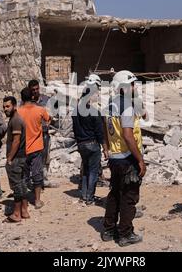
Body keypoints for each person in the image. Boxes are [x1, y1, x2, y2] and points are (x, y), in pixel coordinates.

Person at [102, 70, 146, 247]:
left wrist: (106, 147)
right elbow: (128, 135)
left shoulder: (110, 104)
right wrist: (140, 160)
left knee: (114, 194)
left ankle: (108, 229)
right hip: (127, 158)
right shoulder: (127, 105)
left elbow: (105, 128)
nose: (134, 87)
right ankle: (125, 234)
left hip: (115, 157)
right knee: (129, 196)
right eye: (131, 84)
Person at [72, 74, 108, 205]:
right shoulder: (94, 112)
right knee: (93, 172)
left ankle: (84, 196)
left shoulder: (75, 112)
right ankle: (90, 198)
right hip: (92, 144)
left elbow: (74, 130)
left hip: (81, 144)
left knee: (86, 170)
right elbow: (100, 133)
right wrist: (105, 149)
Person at [17, 87, 51, 209]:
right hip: (36, 147)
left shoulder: (18, 112)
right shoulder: (40, 110)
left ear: (21, 98)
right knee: (37, 173)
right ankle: (37, 201)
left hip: (22, 148)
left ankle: (24, 200)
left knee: (24, 175)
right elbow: (48, 120)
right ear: (32, 97)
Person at [3, 96, 29, 222]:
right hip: (21, 157)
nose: (5, 109)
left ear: (14, 106)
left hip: (17, 158)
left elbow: (16, 141)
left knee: (17, 186)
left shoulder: (16, 120)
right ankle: (24, 210)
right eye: (4, 107)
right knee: (22, 184)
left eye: (7, 106)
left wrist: (9, 158)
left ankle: (17, 213)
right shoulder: (14, 119)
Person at [28, 80, 56, 188]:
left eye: (37, 89)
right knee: (32, 156)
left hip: (43, 132)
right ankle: (33, 178)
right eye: (33, 90)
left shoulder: (46, 100)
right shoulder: (27, 102)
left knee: (44, 155)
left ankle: (43, 178)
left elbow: (52, 114)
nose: (35, 91)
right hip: (31, 134)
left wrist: (49, 121)